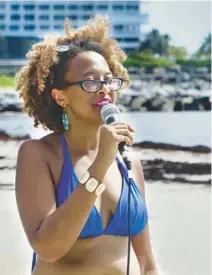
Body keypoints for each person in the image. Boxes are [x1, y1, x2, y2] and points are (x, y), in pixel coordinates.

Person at [15, 16, 159, 275]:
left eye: (108, 80)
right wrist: (100, 164)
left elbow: (147, 263)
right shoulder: (38, 155)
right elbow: (49, 248)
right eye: (90, 81)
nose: (104, 89)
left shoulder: (129, 162)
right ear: (60, 96)